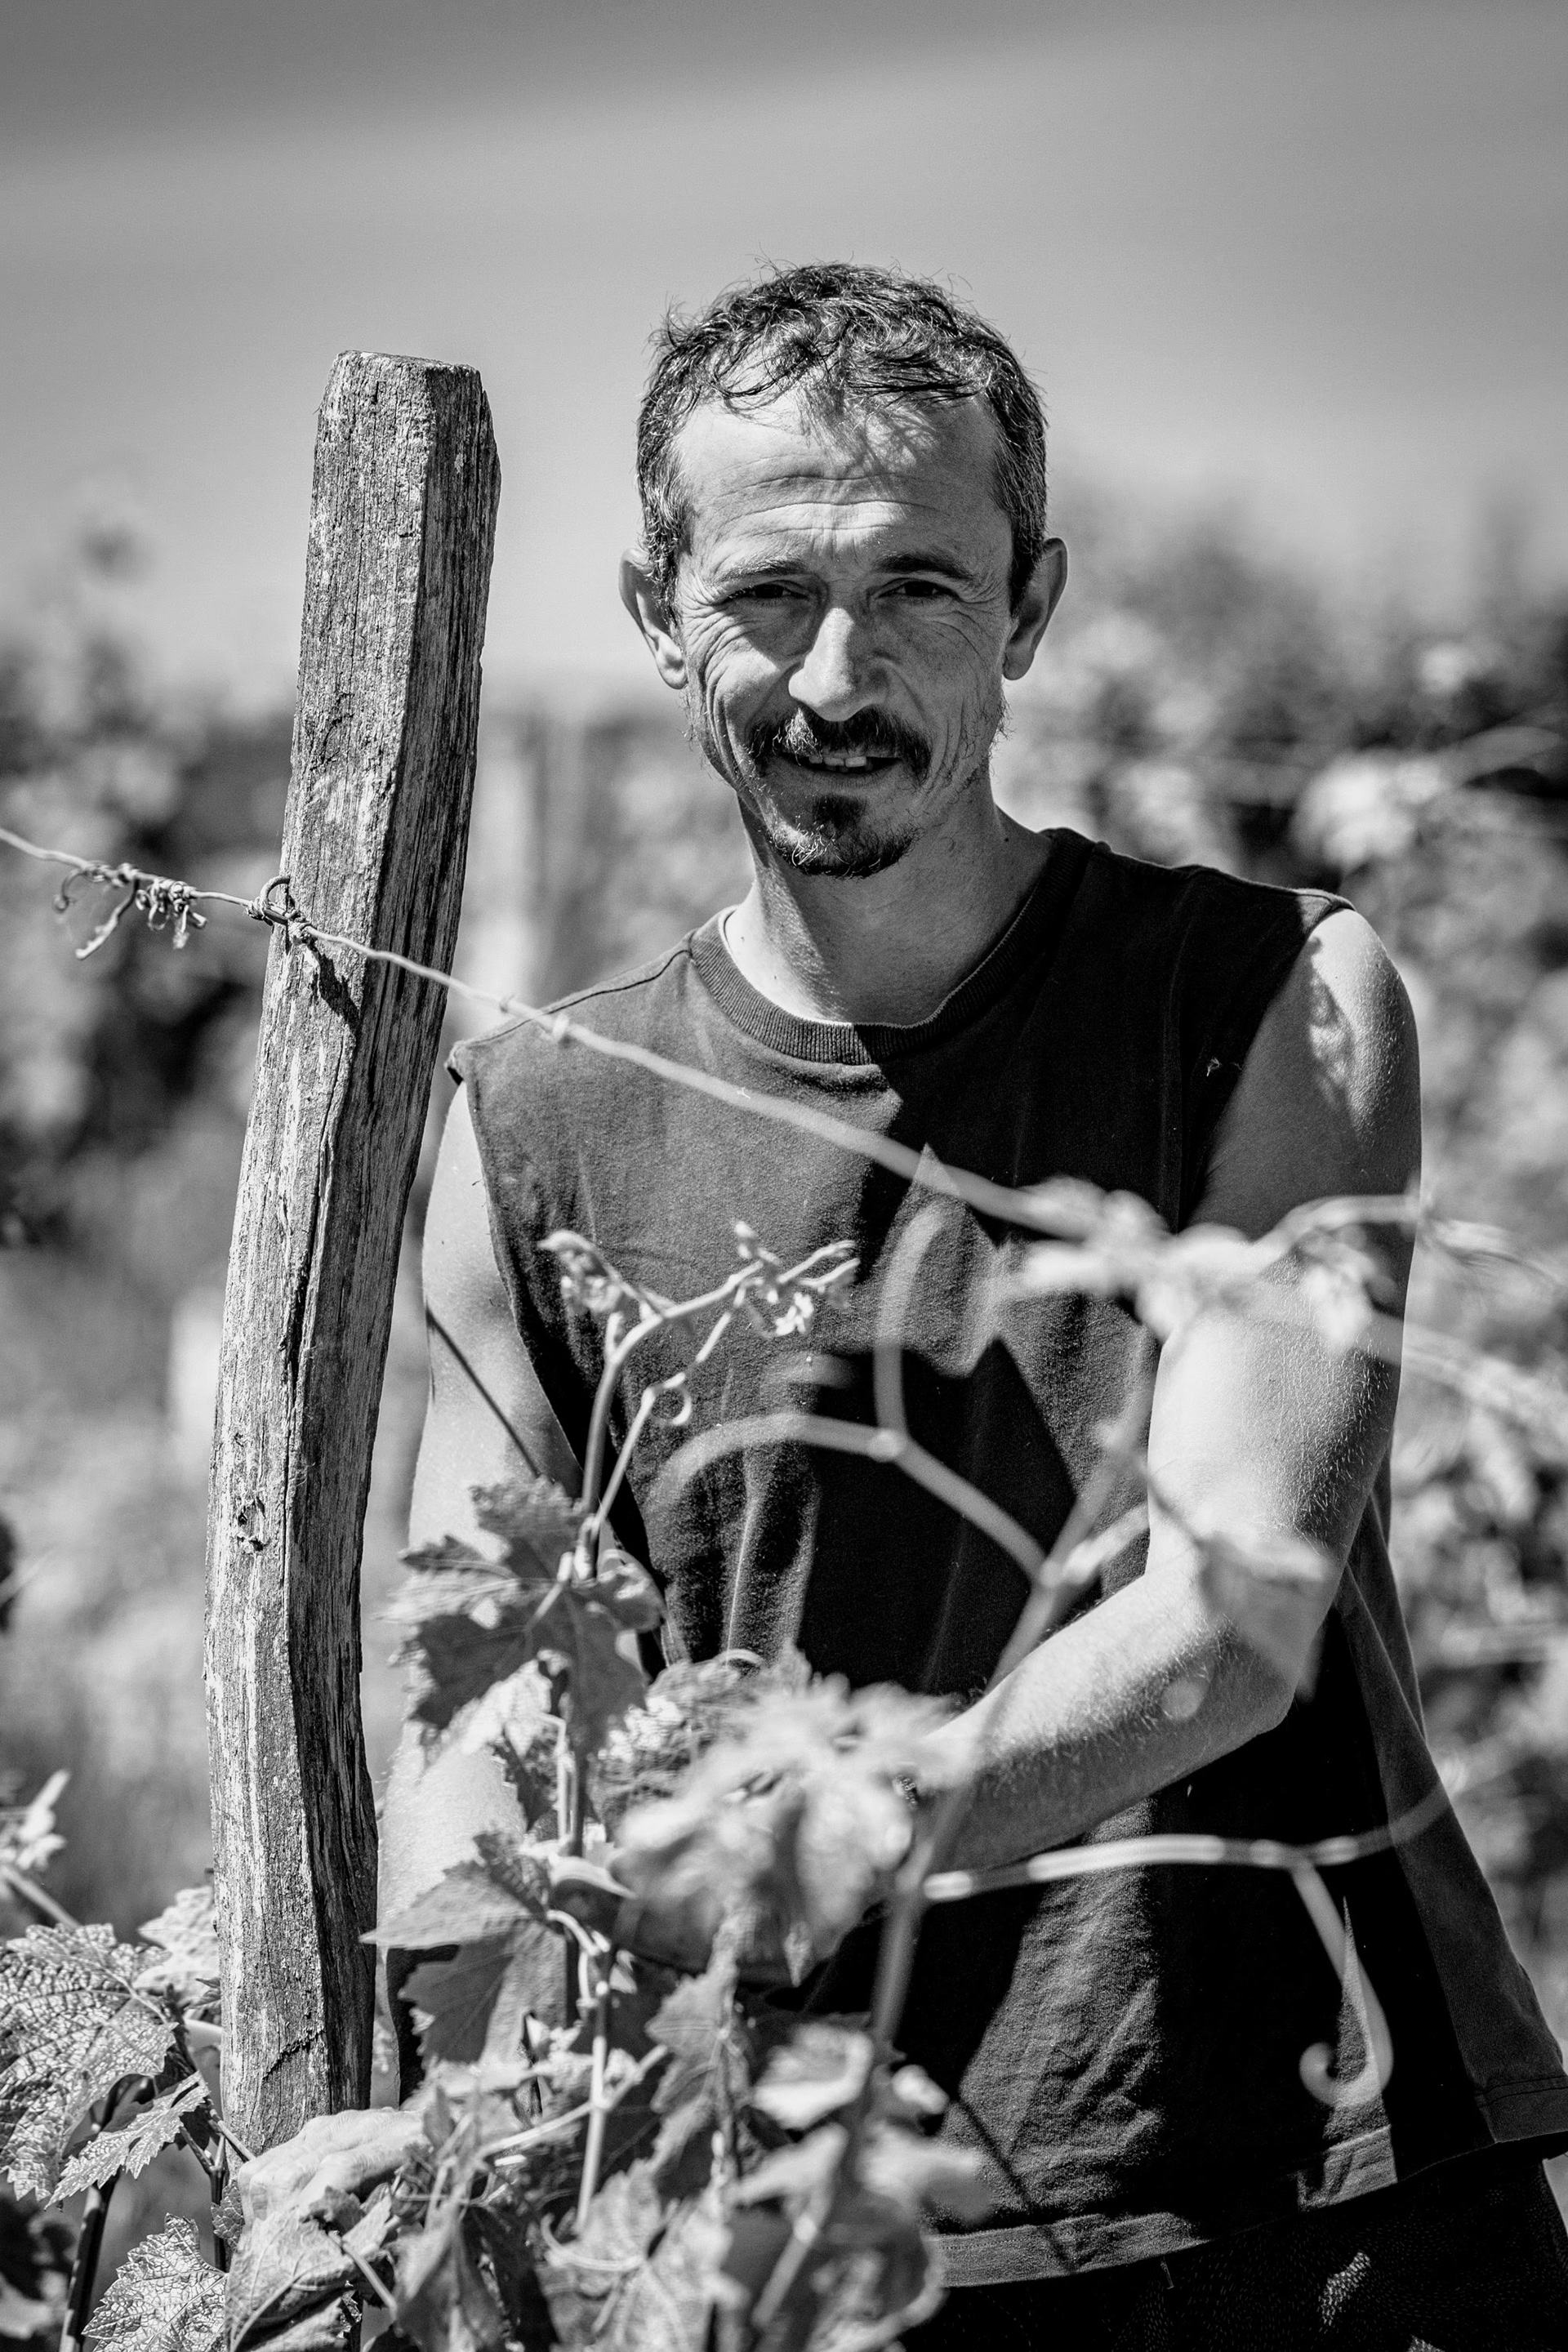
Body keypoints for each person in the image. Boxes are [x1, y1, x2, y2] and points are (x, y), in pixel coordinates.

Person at [383, 264, 1568, 2345]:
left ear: (1029, 608)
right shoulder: (530, 1122)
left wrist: (804, 1853)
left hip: (1318, 2204)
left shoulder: (1270, 1002)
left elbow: (1237, 1614)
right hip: (812, 2239)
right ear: (658, 611)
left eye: (919, 588)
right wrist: (493, 2133)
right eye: (767, 594)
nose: (836, 674)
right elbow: (471, 1715)